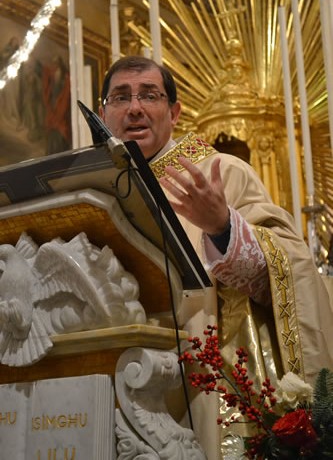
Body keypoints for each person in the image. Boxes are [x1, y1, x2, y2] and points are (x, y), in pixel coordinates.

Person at [99, 55, 333, 458]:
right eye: (121, 97)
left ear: (174, 112)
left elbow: (281, 271)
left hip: (205, 382)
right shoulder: (93, 191)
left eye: (149, 95)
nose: (134, 107)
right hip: (111, 379)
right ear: (103, 113)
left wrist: (222, 226)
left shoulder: (220, 171)